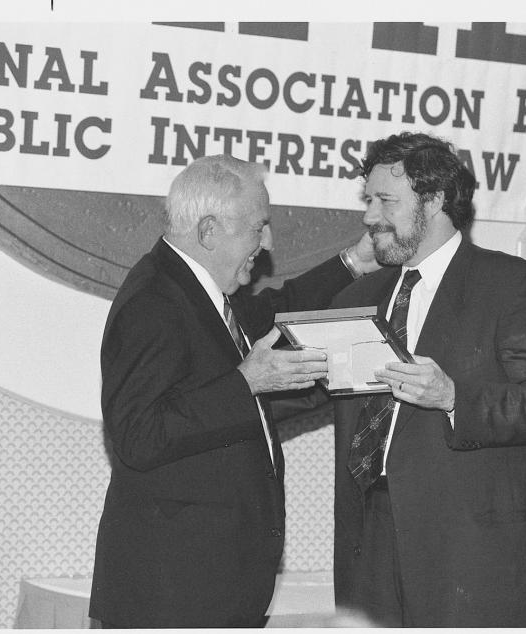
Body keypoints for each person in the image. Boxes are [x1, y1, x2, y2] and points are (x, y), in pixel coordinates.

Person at [88, 154, 378, 628]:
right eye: (257, 228)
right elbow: (137, 435)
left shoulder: (195, 286)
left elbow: (276, 311)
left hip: (211, 588)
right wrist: (247, 383)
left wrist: (353, 263)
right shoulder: (152, 302)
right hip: (174, 597)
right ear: (208, 232)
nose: (267, 243)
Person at [328, 132, 526, 627]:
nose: (369, 216)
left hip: (469, 559)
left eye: (385, 201)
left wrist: (453, 399)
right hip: (369, 555)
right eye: (368, 200)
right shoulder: (357, 299)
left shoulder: (513, 285)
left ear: (436, 199)